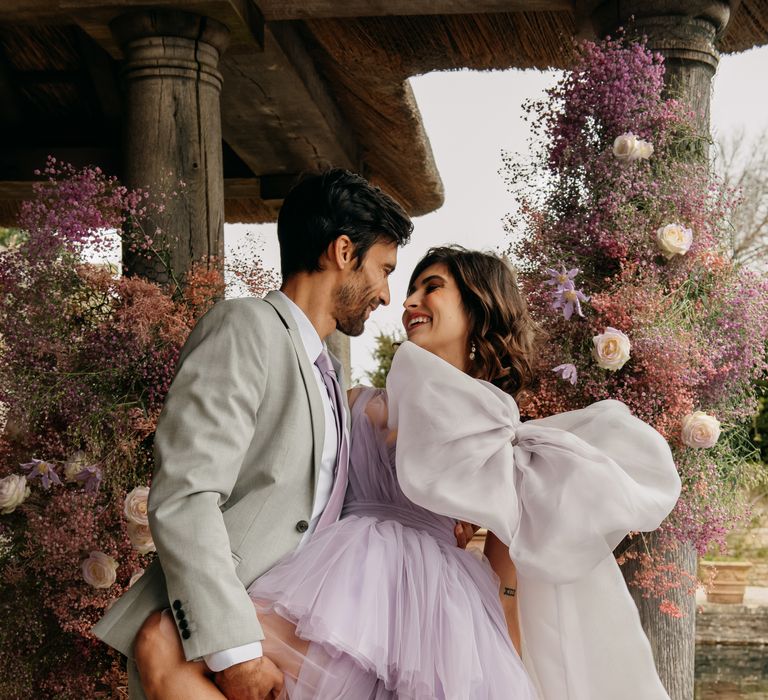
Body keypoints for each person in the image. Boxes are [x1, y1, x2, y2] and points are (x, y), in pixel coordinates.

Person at [133, 247, 681, 699]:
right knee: (165, 648)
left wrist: (502, 665)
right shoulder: (347, 399)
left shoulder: (499, 431)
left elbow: (508, 568)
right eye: (409, 286)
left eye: (431, 287)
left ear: (478, 305)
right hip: (338, 584)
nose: (410, 301)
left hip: (442, 613)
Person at [92, 168, 414, 700]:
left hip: (296, 644)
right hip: (214, 655)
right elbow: (185, 495)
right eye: (383, 269)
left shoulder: (329, 374)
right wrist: (235, 653)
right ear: (342, 252)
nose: (385, 293)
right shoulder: (246, 327)